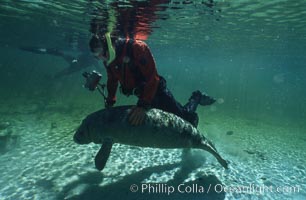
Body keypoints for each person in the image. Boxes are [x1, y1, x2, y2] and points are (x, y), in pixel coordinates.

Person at [89, 33, 216, 127]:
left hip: (157, 91)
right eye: (96, 56)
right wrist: (110, 102)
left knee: (185, 120)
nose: (101, 58)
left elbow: (152, 78)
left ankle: (196, 97)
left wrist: (142, 106)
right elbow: (112, 80)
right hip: (143, 96)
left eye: (100, 52)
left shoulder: (137, 48)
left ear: (108, 44)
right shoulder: (108, 59)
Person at [19, 46, 100, 79]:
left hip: (75, 62)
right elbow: (98, 67)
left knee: (62, 55)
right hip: (77, 65)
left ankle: (45, 50)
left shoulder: (91, 56)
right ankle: (45, 51)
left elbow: (82, 56)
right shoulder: (94, 59)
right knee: (63, 71)